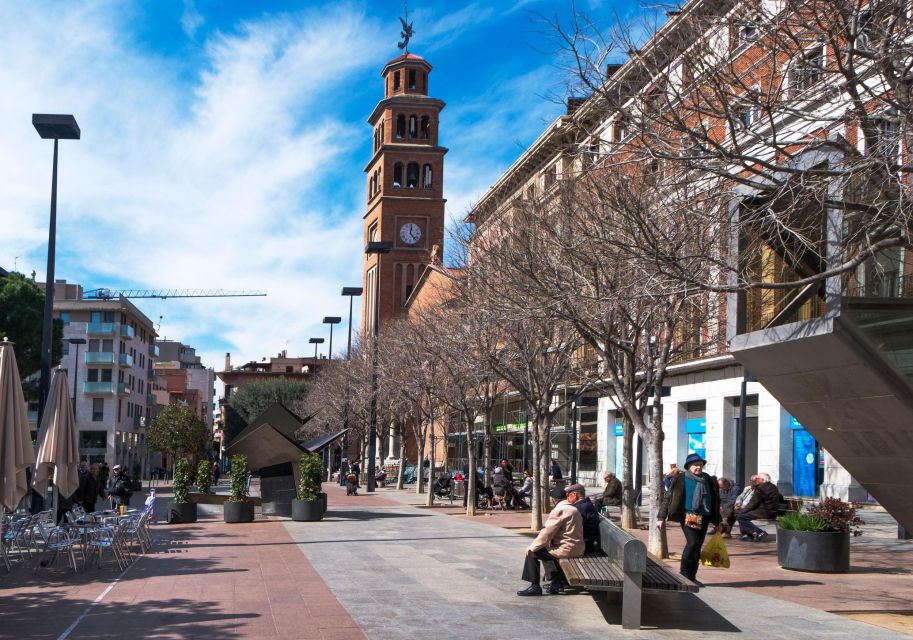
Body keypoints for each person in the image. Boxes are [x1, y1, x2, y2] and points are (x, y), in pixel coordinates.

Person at [657, 452, 720, 586]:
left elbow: (715, 500)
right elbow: (668, 498)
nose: (698, 467)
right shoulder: (680, 478)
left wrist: (717, 520)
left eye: (700, 465)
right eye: (695, 465)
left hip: (705, 516)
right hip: (687, 516)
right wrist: (661, 516)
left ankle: (692, 576)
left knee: (697, 546)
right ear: (688, 466)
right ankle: (684, 574)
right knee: (692, 543)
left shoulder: (708, 479)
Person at [517, 483, 585, 596]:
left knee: (533, 553)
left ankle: (535, 586)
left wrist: (531, 547)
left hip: (567, 549)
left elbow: (546, 533)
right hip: (577, 547)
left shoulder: (560, 510)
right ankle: (556, 582)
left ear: (554, 500)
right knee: (544, 551)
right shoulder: (573, 509)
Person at [737, 472, 781, 542]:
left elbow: (752, 503)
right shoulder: (773, 486)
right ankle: (748, 535)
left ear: (763, 480)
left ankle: (759, 532)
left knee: (741, 516)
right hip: (771, 512)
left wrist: (743, 510)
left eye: (757, 478)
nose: (756, 479)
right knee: (741, 514)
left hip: (764, 512)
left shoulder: (761, 488)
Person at [568, 484, 600, 552]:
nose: (567, 498)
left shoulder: (580, 508)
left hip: (584, 544)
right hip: (586, 541)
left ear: (574, 495)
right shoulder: (586, 505)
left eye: (568, 495)